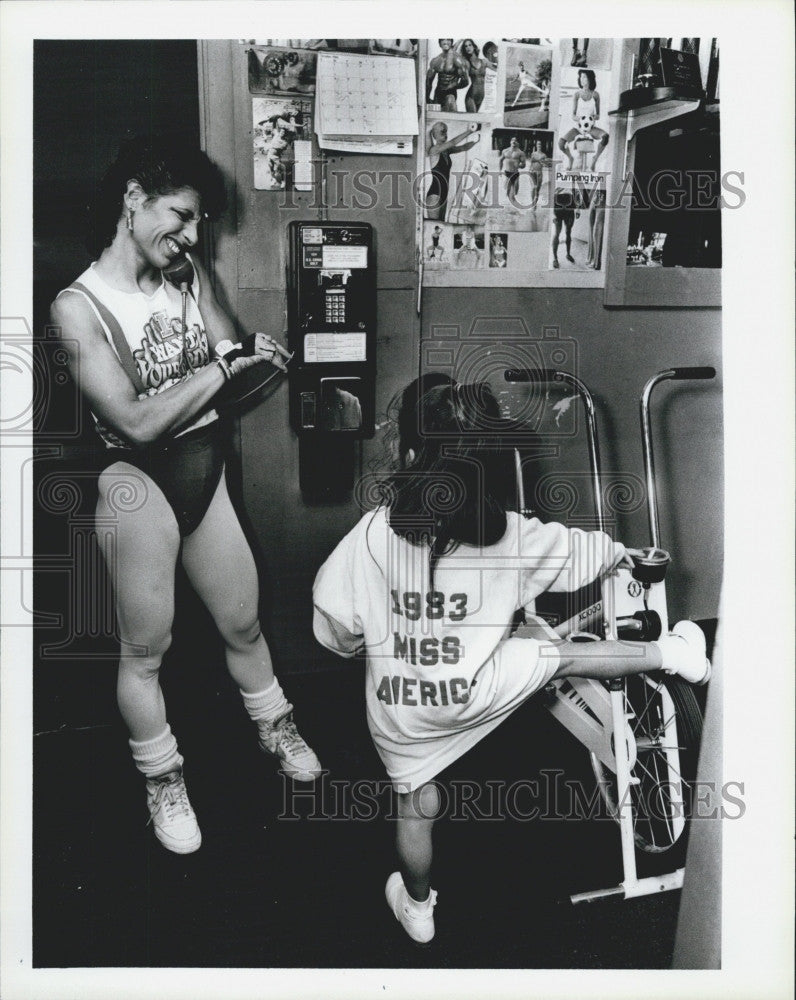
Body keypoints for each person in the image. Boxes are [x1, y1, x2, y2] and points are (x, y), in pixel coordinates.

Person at [312, 379, 710, 943]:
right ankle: (675, 655)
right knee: (560, 656)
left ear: (405, 455)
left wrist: (364, 646)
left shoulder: (372, 533)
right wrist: (621, 554)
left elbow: (332, 624)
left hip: (404, 711)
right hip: (479, 686)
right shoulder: (510, 537)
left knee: (418, 803)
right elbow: (580, 553)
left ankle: (418, 908)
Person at [50, 136, 322, 855]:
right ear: (134, 200)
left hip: (205, 468)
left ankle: (277, 727)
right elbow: (136, 421)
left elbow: (228, 357)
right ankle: (162, 776)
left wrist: (243, 349)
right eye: (182, 216)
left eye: (200, 222)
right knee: (147, 649)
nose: (193, 235)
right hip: (136, 481)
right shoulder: (76, 307)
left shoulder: (184, 272)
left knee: (243, 622)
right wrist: (225, 365)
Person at [425, 120, 481, 221]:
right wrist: (470, 131)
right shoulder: (434, 150)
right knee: (434, 226)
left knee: (442, 225)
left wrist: (475, 142)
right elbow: (453, 142)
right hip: (434, 195)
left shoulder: (446, 150)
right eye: (442, 132)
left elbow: (463, 147)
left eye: (446, 131)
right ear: (434, 135)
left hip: (443, 194)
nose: (445, 134)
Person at [558, 69, 609, 171]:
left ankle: (595, 159)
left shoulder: (595, 95)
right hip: (578, 127)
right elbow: (573, 115)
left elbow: (598, 115)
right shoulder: (577, 95)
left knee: (606, 137)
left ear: (589, 79)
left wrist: (592, 118)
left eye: (584, 77)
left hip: (591, 128)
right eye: (580, 77)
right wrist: (580, 119)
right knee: (561, 143)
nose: (582, 79)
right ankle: (570, 158)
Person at [425, 38, 470, 111]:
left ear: (451, 42)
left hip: (450, 94)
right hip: (438, 93)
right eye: (443, 40)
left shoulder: (457, 59)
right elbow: (428, 81)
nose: (445, 42)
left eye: (448, 39)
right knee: (436, 118)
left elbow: (465, 81)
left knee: (451, 116)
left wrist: (453, 86)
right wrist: (427, 98)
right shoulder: (436, 60)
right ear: (439, 43)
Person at [457, 39, 488, 112]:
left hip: (481, 96)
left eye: (470, 45)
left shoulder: (483, 61)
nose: (468, 47)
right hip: (471, 97)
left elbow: (498, 67)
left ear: (474, 47)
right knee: (473, 120)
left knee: (476, 121)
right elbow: (464, 81)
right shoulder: (466, 64)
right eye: (465, 46)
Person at [499, 136, 527, 204]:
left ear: (517, 143)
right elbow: (500, 160)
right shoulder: (505, 151)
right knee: (507, 190)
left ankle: (512, 202)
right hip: (507, 173)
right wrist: (499, 170)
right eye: (512, 140)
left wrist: (520, 166)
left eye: (515, 140)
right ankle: (508, 205)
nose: (514, 141)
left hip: (515, 173)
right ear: (510, 142)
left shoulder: (520, 153)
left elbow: (524, 164)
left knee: (515, 192)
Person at [528, 139, 547, 208]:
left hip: (539, 173)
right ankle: (532, 202)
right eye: (538, 144)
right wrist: (529, 171)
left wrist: (543, 163)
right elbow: (531, 163)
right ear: (536, 145)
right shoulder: (533, 154)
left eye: (540, 144)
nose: (539, 145)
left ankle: (535, 203)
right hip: (532, 172)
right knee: (533, 187)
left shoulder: (544, 155)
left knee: (538, 190)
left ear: (541, 146)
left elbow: (545, 164)